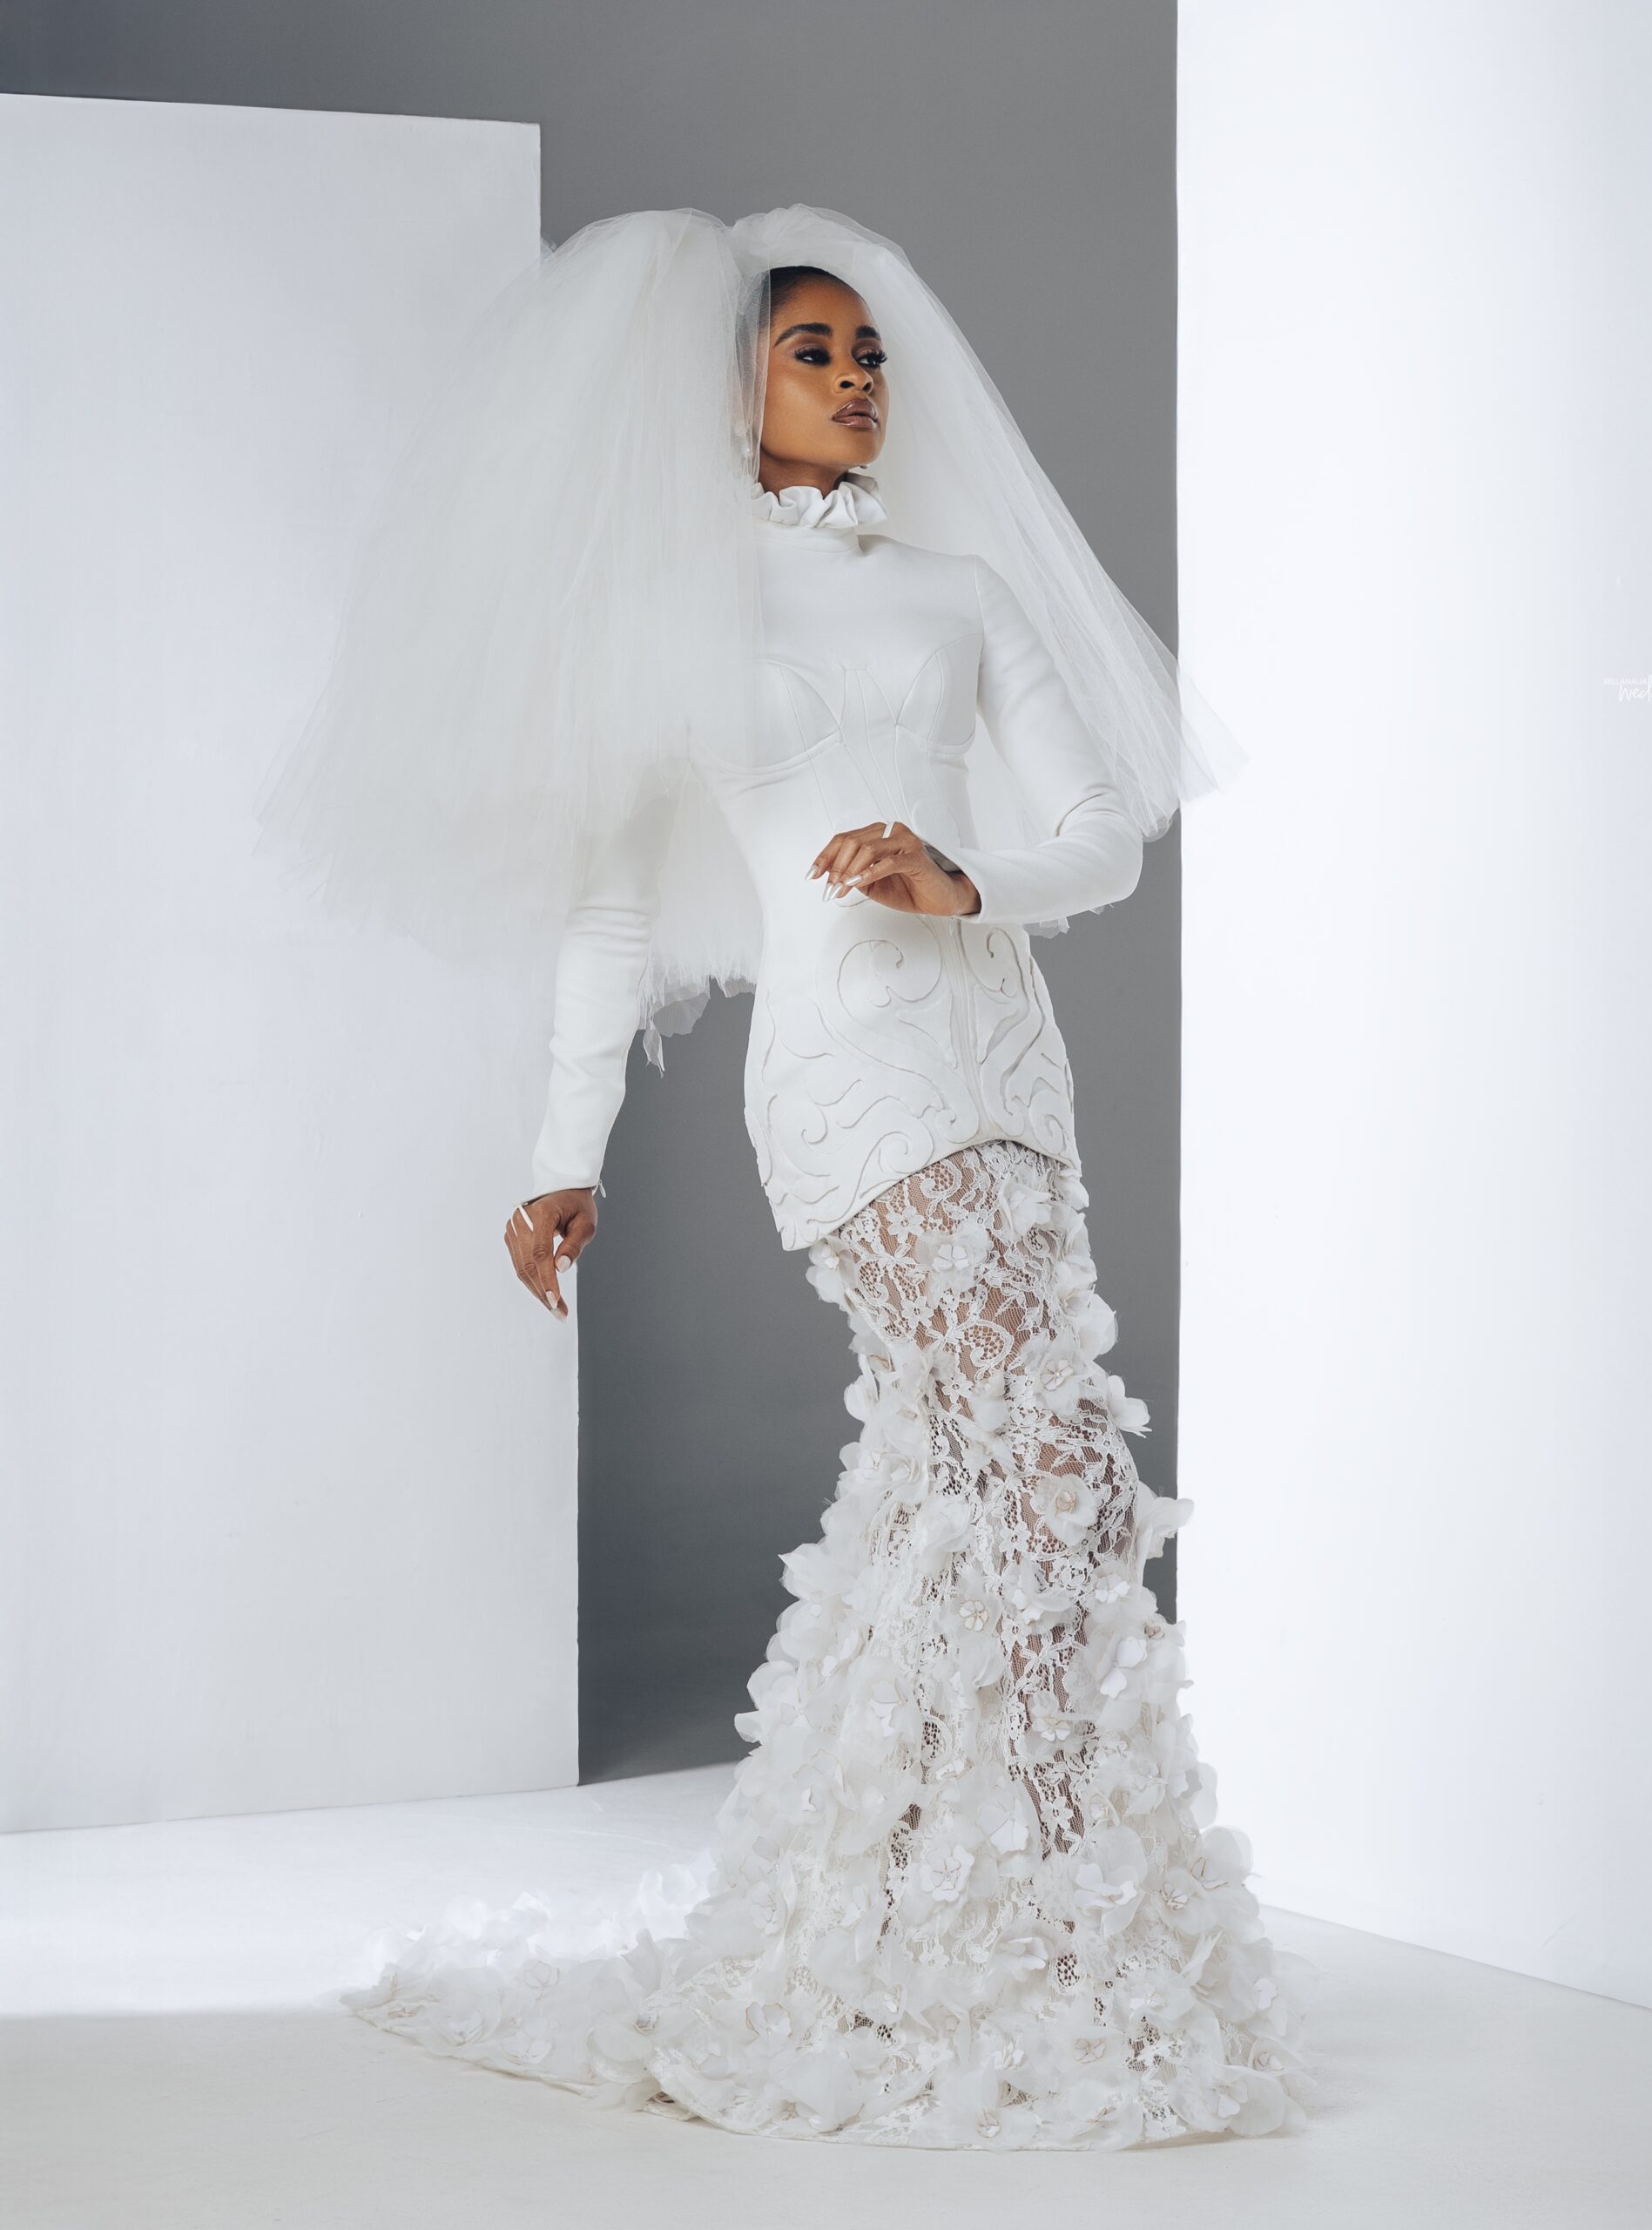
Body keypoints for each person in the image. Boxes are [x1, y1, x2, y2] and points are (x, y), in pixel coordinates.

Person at [255, 207, 1313, 2151]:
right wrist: (560, 1157)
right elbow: (605, 913)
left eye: (869, 353)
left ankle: (916, 1907)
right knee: (1053, 1471)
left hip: (1001, 1062)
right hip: (841, 1081)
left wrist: (965, 874)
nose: (855, 379)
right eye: (813, 352)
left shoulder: (959, 592)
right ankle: (1037, 1901)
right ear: (729, 386)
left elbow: (1105, 834)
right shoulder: (670, 617)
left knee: (964, 1479)